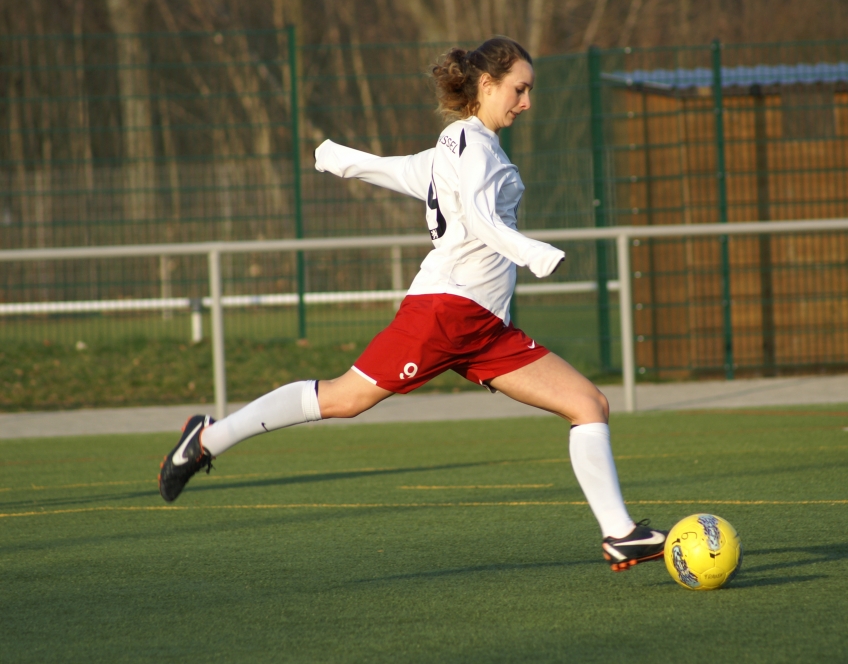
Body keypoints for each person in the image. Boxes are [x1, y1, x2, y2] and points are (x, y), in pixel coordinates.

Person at [157, 36, 665, 572]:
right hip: (446, 314)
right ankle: (207, 439)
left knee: (589, 404)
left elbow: (402, 172)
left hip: (486, 328)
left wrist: (341, 160)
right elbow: (477, 218)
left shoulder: (462, 146)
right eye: (519, 89)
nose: (526, 103)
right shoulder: (470, 145)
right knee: (344, 398)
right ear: (486, 85)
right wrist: (532, 252)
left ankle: (619, 534)